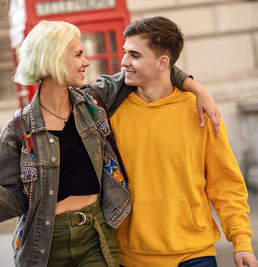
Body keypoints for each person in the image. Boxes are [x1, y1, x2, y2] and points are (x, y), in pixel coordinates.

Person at [0, 20, 218, 267]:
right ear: (54, 60)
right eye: (78, 54)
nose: (86, 61)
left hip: (96, 234)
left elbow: (152, 66)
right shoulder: (19, 128)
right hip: (46, 243)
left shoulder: (93, 102)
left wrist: (196, 88)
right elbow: (14, 198)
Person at [97, 16, 257, 267]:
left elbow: (225, 184)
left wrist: (241, 241)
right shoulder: (111, 112)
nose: (124, 62)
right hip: (133, 258)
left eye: (135, 55)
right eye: (124, 52)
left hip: (195, 254)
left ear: (163, 63)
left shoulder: (201, 110)